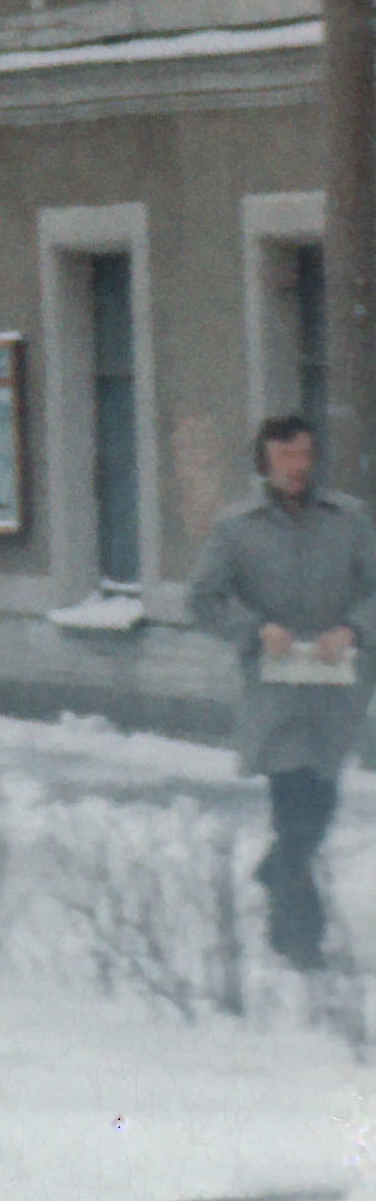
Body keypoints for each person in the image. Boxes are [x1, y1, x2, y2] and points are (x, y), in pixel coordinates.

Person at [188, 410, 375, 967]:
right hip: (274, 690)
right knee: (292, 803)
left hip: (336, 687)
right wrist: (253, 630)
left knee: (320, 801)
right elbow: (204, 598)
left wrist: (355, 629)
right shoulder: (236, 528)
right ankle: (300, 936)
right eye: (284, 457)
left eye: (304, 455)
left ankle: (279, 874)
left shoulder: (350, 520)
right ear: (265, 463)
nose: (297, 467)